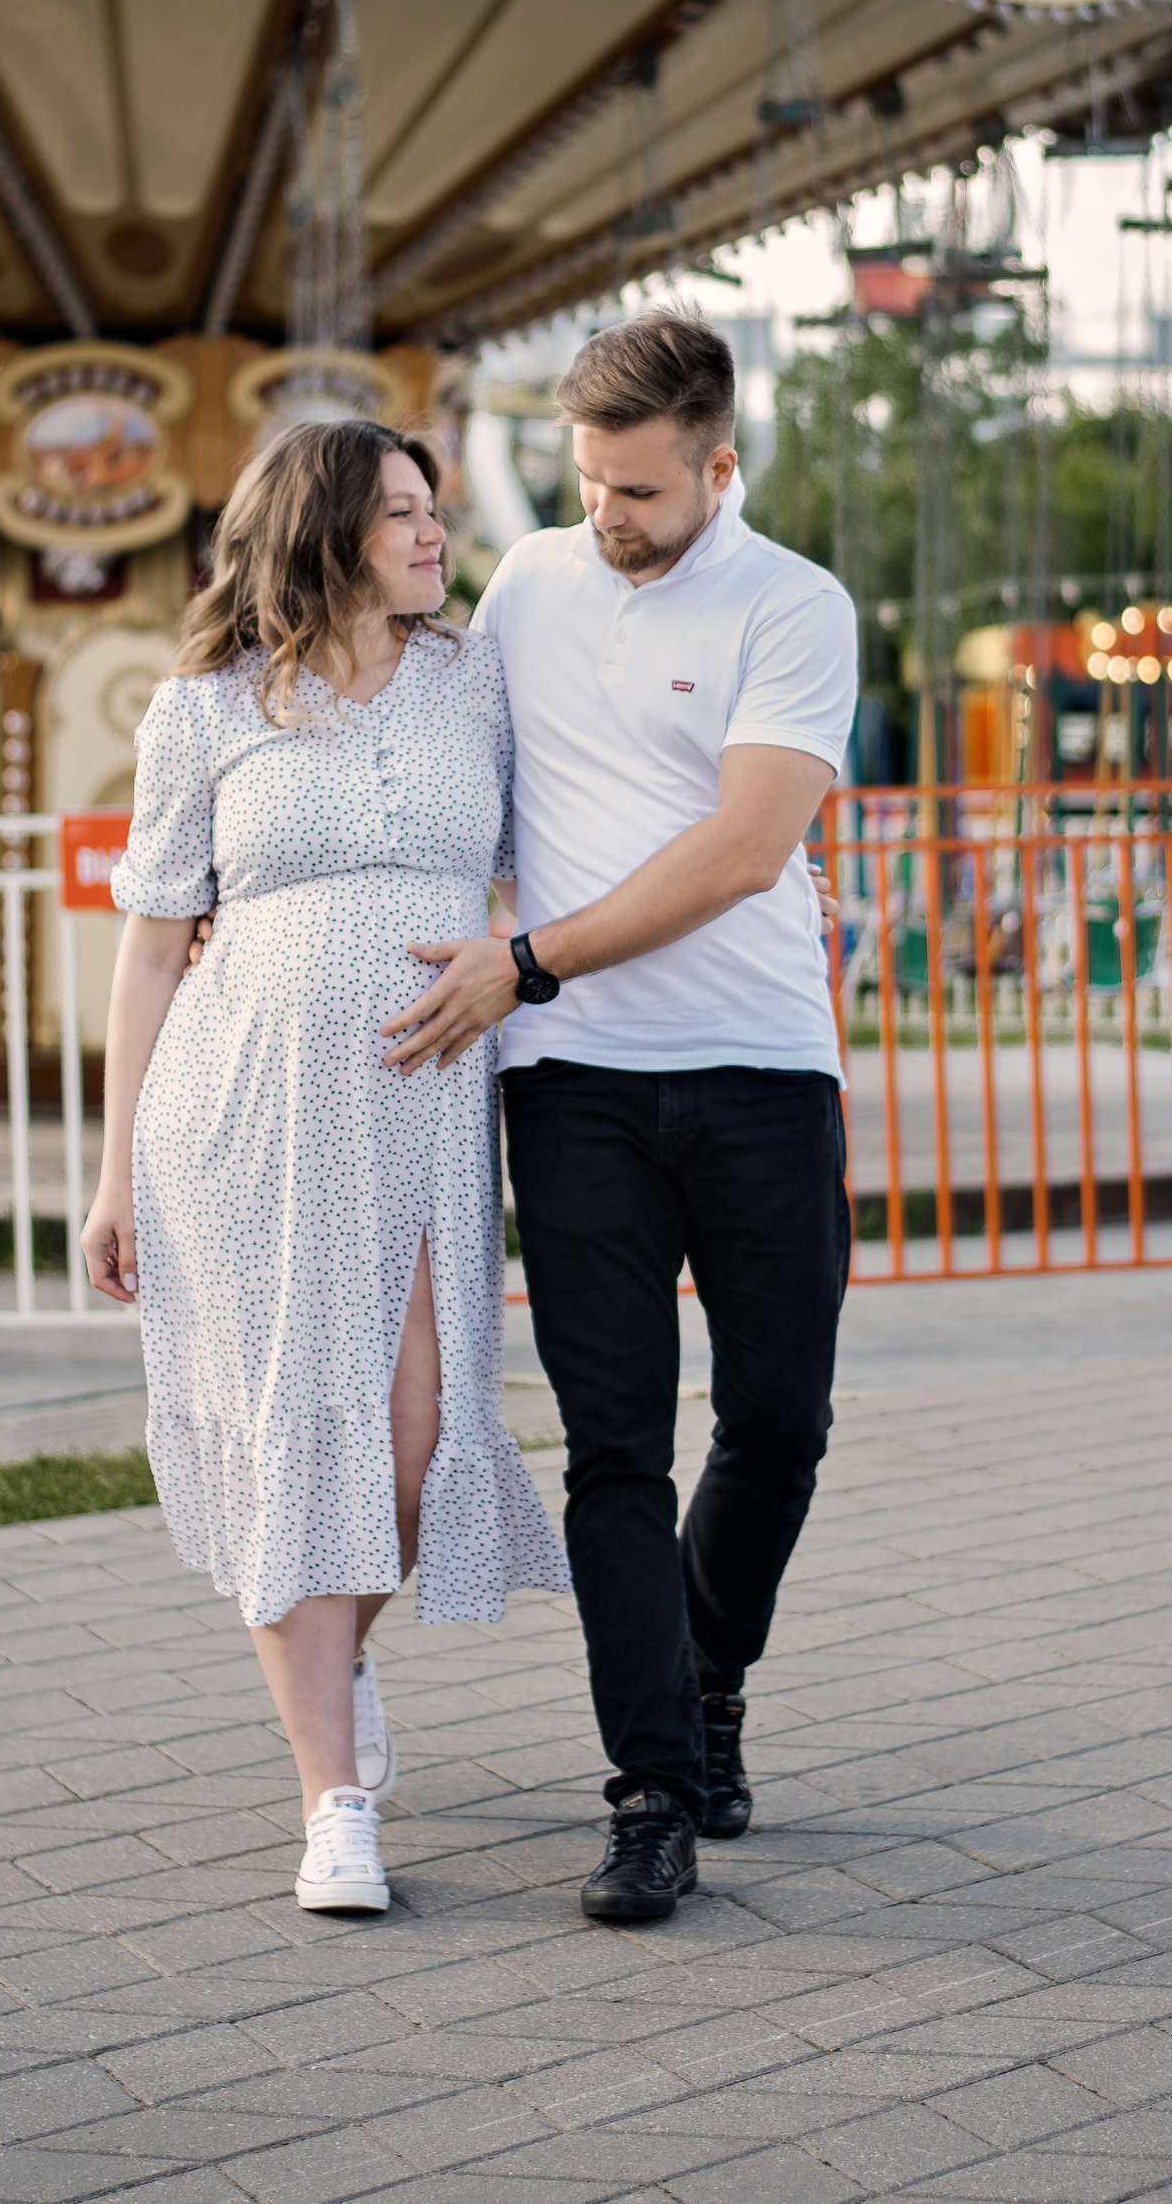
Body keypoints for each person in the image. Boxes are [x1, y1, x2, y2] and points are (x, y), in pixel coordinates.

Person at [384, 312, 860, 1926]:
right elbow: (420, 735)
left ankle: (710, 1675)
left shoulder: (796, 607)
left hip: (760, 1066)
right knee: (611, 1450)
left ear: (722, 468)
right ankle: (653, 1786)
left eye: (644, 489)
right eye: (591, 481)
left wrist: (529, 958)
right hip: (573, 1089)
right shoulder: (523, 584)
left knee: (780, 1420)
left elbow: (743, 849)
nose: (610, 513)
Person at [79, 418, 570, 1922]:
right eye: (408, 513)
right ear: (328, 528)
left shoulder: (472, 676)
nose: (436, 534)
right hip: (241, 1115)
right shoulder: (210, 706)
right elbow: (155, 944)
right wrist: (111, 1176)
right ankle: (332, 1800)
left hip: (420, 1116)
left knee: (413, 1444)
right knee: (303, 1426)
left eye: (436, 510)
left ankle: (335, 1658)